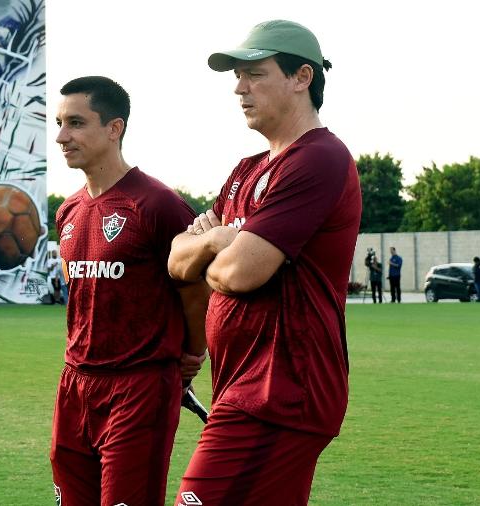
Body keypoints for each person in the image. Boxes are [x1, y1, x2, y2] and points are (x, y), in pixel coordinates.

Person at [168, 20, 361, 505]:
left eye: (254, 73)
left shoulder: (318, 158)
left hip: (281, 390)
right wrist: (219, 242)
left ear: (302, 77)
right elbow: (178, 260)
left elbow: (240, 274)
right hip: (248, 384)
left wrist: (216, 247)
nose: (239, 87)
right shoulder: (248, 169)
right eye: (238, 75)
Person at [50, 76, 208, 506]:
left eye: (76, 123)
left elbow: (195, 289)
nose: (62, 136)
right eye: (59, 123)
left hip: (138, 386)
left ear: (114, 128)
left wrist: (193, 353)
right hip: (76, 383)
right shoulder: (68, 210)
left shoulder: (157, 205)